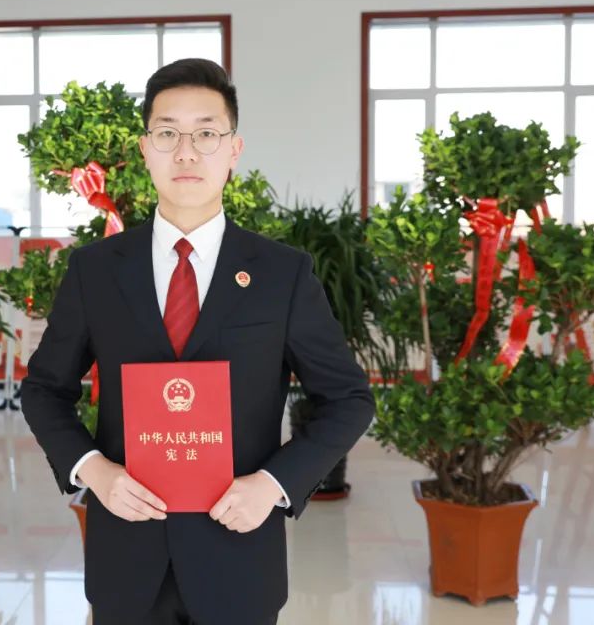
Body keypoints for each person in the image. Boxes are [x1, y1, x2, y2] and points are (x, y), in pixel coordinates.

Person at [20, 58, 373, 625]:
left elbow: (349, 399)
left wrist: (273, 485)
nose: (186, 152)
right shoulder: (96, 270)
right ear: (145, 149)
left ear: (234, 150)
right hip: (126, 553)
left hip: (239, 554)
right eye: (167, 133)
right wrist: (93, 470)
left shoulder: (282, 274)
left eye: (206, 134)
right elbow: (43, 389)